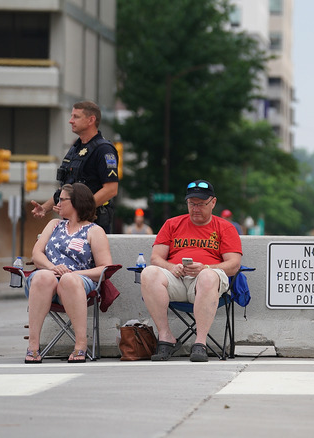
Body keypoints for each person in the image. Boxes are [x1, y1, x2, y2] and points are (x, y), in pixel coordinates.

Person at [140, 180, 242, 362]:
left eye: (201, 204)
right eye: (191, 204)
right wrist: (171, 267)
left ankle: (200, 343)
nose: (195, 208)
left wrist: (206, 268)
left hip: (206, 282)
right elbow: (156, 258)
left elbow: (234, 264)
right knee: (148, 273)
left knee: (208, 276)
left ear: (213, 203)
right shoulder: (172, 224)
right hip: (176, 278)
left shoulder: (225, 227)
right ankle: (165, 337)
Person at [24, 183, 113, 363]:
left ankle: (81, 345)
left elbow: (105, 267)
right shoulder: (54, 224)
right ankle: (33, 346)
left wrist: (75, 273)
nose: (58, 203)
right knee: (43, 276)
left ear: (76, 202)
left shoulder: (94, 231)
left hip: (78, 284)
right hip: (47, 281)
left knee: (69, 280)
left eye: (62, 199)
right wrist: (52, 267)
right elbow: (36, 254)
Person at [30, 101, 119, 233]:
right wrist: (44, 208)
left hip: (94, 225)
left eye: (76, 117)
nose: (71, 121)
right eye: (71, 116)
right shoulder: (75, 149)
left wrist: (80, 210)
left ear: (91, 120)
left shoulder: (104, 149)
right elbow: (66, 187)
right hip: (70, 225)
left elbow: (111, 190)